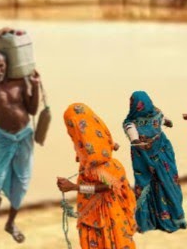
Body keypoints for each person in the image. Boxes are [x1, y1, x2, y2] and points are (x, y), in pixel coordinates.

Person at [0, 26, 41, 244]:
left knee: (20, 183)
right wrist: (0, 31)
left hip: (24, 136)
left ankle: (11, 223)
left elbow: (31, 110)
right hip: (0, 137)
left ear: (7, 66)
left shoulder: (20, 82)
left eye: (1, 66)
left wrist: (36, 87)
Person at [55, 103, 137, 249]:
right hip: (96, 204)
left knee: (108, 240)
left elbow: (108, 186)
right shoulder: (95, 134)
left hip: (105, 209)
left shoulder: (96, 160)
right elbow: (105, 144)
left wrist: (74, 187)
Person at [121, 90, 186, 232]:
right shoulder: (130, 123)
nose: (141, 108)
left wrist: (167, 122)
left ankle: (173, 219)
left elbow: (162, 120)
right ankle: (150, 221)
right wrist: (140, 142)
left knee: (168, 182)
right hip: (144, 158)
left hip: (162, 152)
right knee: (148, 186)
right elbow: (135, 140)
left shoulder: (155, 113)